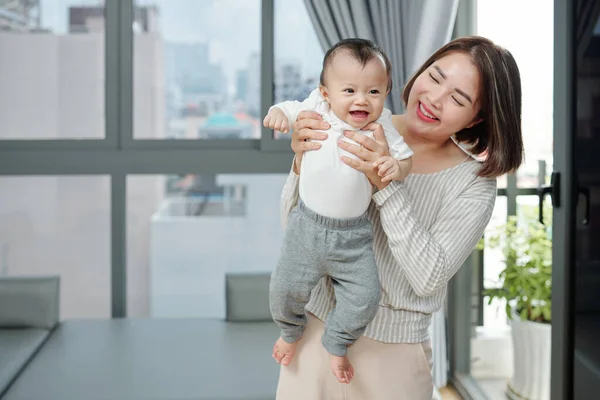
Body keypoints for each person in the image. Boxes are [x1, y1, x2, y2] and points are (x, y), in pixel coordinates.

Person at [275, 35, 524, 400]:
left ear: (479, 116)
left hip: (391, 357)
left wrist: (386, 186)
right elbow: (292, 227)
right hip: (313, 334)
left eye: (458, 98)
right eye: (435, 77)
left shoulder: (473, 183)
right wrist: (300, 163)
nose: (435, 99)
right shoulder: (352, 122)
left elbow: (428, 278)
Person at [264, 38, 413, 385]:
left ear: (386, 93)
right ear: (326, 93)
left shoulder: (383, 127)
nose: (361, 99)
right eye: (349, 89)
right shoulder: (316, 108)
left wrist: (395, 166)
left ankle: (337, 342)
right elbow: (289, 108)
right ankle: (289, 331)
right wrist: (278, 114)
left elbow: (406, 159)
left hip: (353, 237)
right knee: (283, 289)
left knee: (366, 296)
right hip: (307, 227)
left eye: (374, 92)